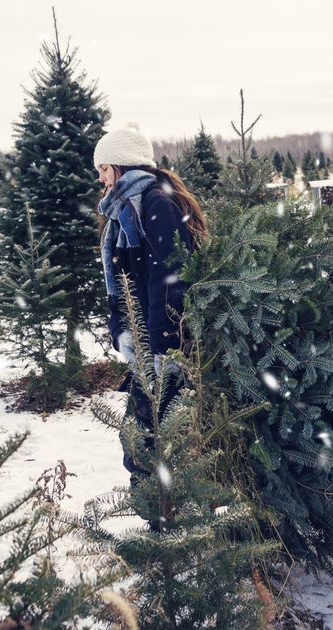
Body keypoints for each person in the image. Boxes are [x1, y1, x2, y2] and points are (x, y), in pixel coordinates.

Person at [94, 124, 207, 478]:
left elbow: (171, 280)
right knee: (142, 443)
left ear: (119, 166)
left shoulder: (157, 201)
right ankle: (159, 519)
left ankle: (164, 523)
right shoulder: (125, 209)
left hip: (163, 349)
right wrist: (122, 331)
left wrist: (165, 350)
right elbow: (123, 281)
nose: (101, 179)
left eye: (103, 169)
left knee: (150, 446)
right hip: (147, 346)